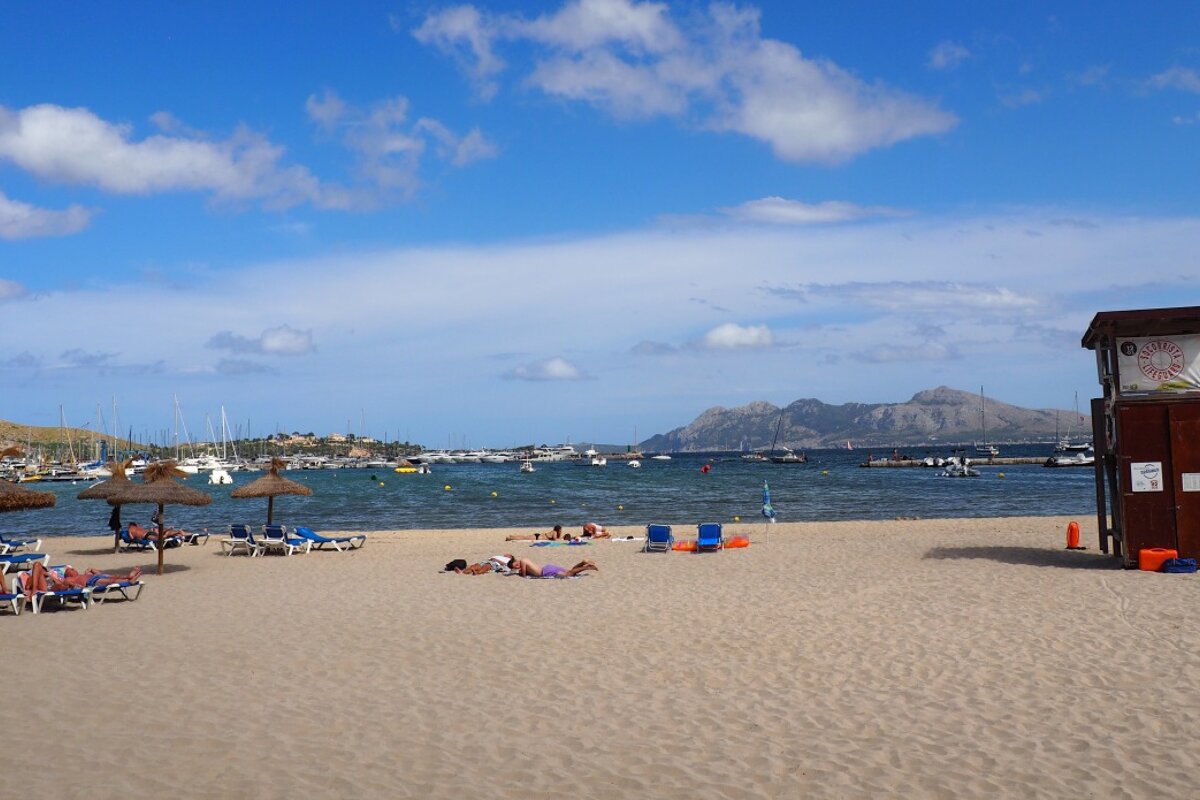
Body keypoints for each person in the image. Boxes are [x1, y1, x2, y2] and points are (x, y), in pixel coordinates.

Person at [508, 557, 598, 578]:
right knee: (570, 571)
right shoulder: (526, 560)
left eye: (516, 565)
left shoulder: (523, 560)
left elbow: (524, 575)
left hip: (545, 572)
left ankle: (587, 567)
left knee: (568, 574)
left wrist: (519, 573)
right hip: (547, 568)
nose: (517, 567)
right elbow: (528, 571)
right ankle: (582, 563)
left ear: (516, 560)